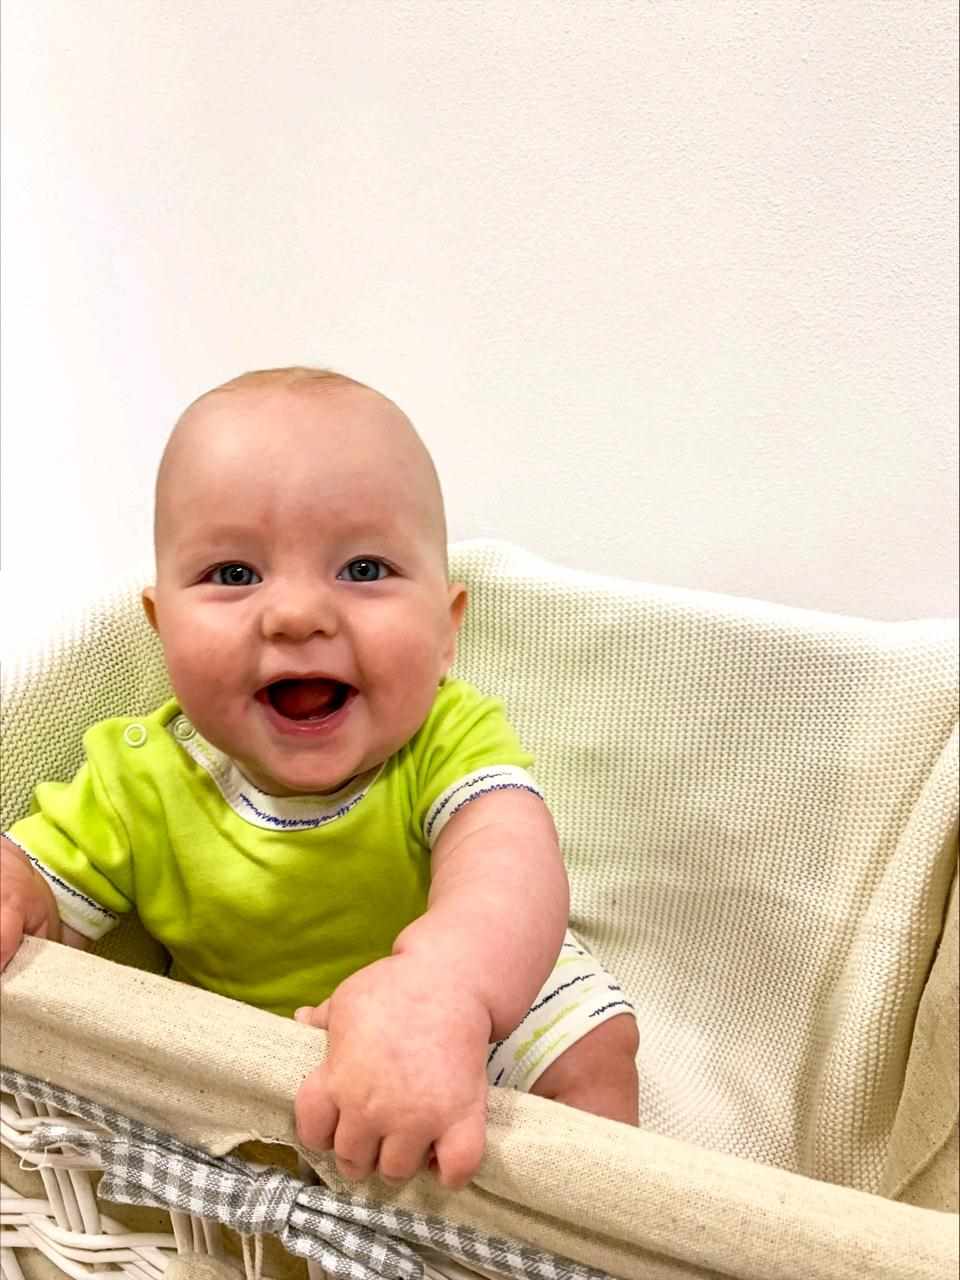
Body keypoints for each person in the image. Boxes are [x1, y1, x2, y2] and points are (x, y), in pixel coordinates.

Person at [0, 367, 640, 1189]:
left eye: (363, 569)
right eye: (235, 574)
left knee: (594, 1046)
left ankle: (571, 1233)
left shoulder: (446, 739)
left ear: (446, 635)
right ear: (162, 630)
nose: (297, 615)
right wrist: (16, 889)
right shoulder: (138, 778)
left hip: (472, 994)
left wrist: (447, 987)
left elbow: (509, 866)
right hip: (259, 1040)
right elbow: (40, 889)